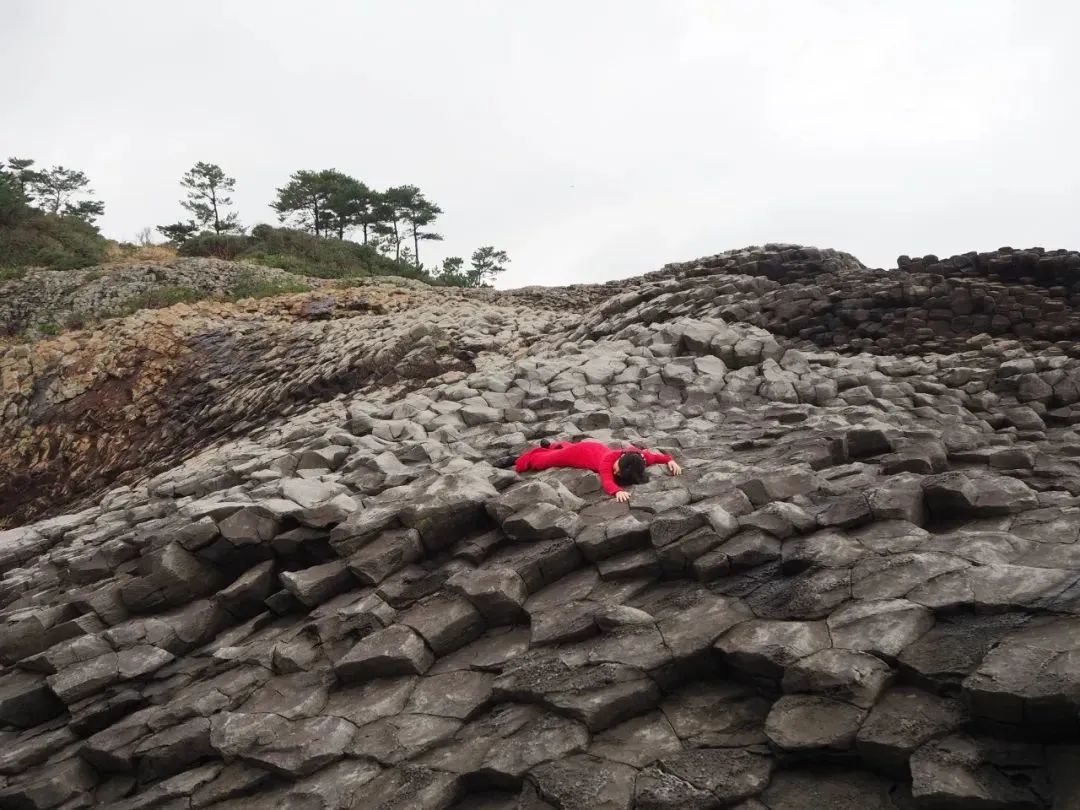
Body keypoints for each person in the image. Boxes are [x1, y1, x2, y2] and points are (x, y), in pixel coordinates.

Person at [495, 439, 682, 502]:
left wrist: (671, 461)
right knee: (542, 461)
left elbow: (658, 457)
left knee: (557, 451)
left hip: (591, 450)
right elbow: (607, 481)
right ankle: (514, 459)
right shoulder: (609, 460)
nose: (615, 473)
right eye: (617, 469)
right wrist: (617, 491)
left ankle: (552, 444)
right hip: (580, 453)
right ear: (618, 460)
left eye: (619, 474)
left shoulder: (640, 458)